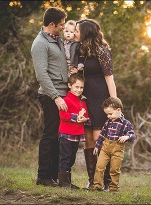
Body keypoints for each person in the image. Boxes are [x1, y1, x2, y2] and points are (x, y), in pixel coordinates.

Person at [73, 18, 115, 189]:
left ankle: (105, 182)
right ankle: (92, 182)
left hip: (100, 97)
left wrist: (114, 104)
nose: (75, 33)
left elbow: (110, 79)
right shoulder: (80, 49)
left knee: (100, 139)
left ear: (86, 32)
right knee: (88, 139)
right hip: (85, 98)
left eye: (77, 30)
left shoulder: (102, 51)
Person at [31, 7, 68, 187]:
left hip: (62, 94)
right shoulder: (40, 44)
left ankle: (54, 177)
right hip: (50, 96)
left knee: (58, 137)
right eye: (61, 25)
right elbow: (41, 75)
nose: (63, 27)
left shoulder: (57, 40)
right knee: (50, 135)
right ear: (51, 24)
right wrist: (55, 96)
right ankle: (43, 177)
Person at [89, 97, 137, 192]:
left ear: (118, 110)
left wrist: (126, 137)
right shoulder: (108, 122)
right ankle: (97, 185)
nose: (108, 116)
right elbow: (102, 134)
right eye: (107, 114)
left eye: (110, 114)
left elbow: (133, 135)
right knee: (99, 167)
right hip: (105, 148)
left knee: (114, 170)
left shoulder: (126, 123)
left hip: (117, 150)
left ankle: (114, 188)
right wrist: (97, 146)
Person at [57, 74, 91, 189]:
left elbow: (85, 115)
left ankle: (67, 182)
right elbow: (63, 115)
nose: (79, 90)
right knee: (65, 157)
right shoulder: (66, 99)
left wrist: (85, 119)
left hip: (76, 134)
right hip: (66, 134)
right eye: (76, 87)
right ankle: (63, 182)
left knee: (71, 158)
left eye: (81, 88)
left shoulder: (82, 101)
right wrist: (76, 117)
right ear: (69, 86)